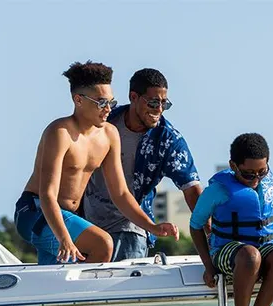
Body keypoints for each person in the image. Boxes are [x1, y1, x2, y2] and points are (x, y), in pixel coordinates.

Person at [14, 61, 178, 265]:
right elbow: (48, 194)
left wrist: (152, 227)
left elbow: (120, 194)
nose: (108, 109)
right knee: (102, 244)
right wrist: (64, 238)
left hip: (65, 216)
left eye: (111, 102)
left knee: (54, 282)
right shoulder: (60, 133)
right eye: (101, 103)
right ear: (78, 100)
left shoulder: (109, 135)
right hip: (36, 212)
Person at [190, 133, 273, 306]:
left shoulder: (271, 188)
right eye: (248, 174)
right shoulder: (217, 190)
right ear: (233, 166)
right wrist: (208, 266)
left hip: (261, 250)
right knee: (250, 255)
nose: (256, 178)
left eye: (262, 172)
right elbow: (196, 225)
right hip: (227, 251)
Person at [83, 68, 201, 261]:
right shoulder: (104, 122)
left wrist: (213, 233)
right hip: (88, 225)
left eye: (165, 104)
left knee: (122, 290)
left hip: (132, 229)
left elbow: (192, 189)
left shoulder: (168, 140)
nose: (159, 110)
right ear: (134, 97)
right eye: (154, 102)